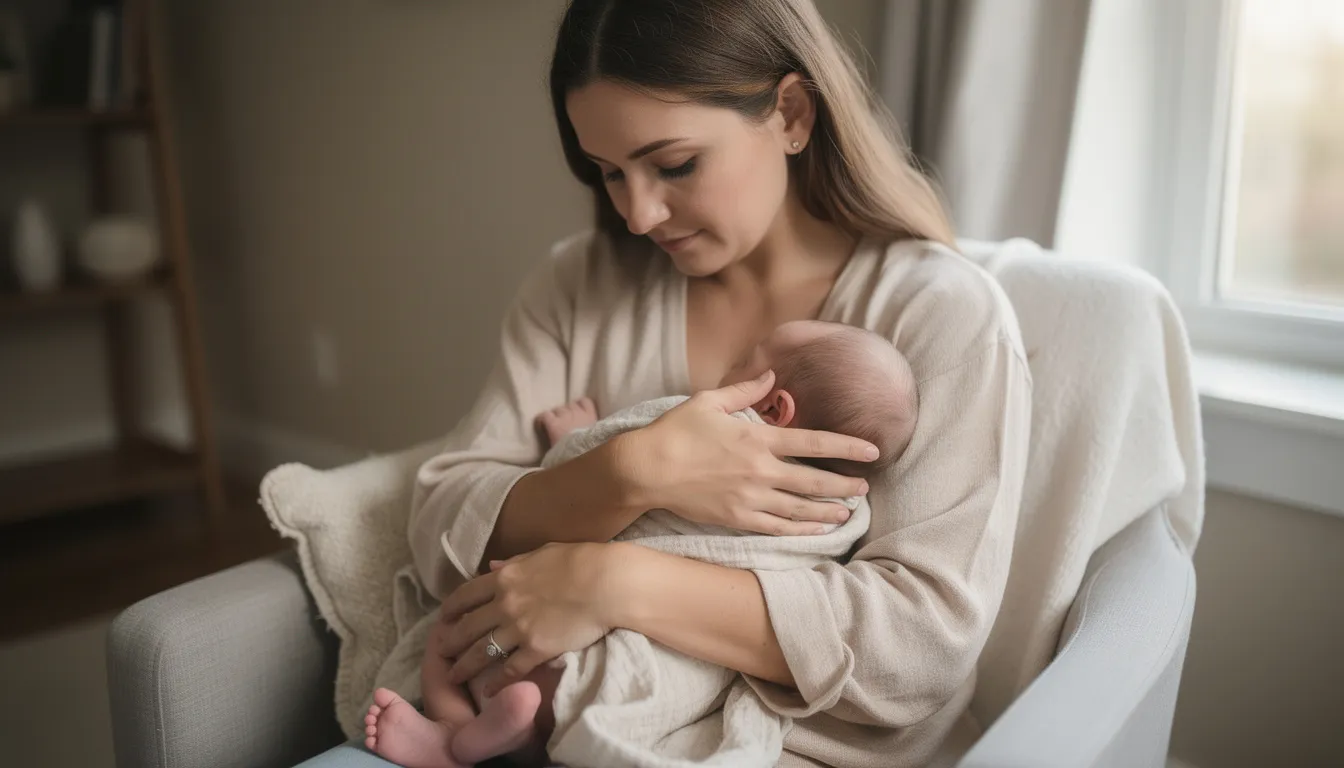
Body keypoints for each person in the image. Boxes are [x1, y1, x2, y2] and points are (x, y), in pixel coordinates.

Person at [389, 0, 1032, 765]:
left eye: (674, 165)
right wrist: (633, 471)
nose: (637, 214)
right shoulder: (576, 287)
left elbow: (919, 644)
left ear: (791, 114)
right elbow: (440, 524)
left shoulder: (940, 316)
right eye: (607, 174)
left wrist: (611, 580)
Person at [364, 321, 919, 767]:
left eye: (752, 354)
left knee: (447, 635)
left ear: (773, 410)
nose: (729, 365)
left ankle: (454, 739)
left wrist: (576, 446)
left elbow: (602, 461)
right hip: (649, 687)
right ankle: (521, 739)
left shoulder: (696, 422)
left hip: (543, 646)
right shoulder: (840, 516)